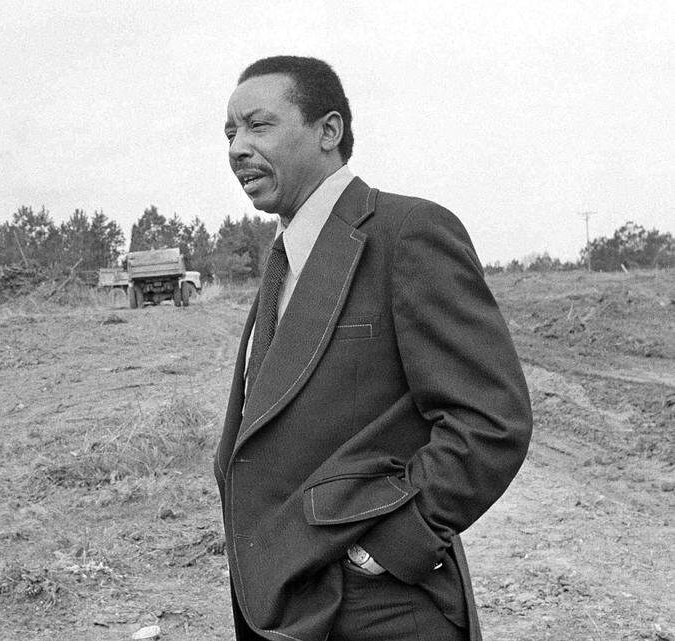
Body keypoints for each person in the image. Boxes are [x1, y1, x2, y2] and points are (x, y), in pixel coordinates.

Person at [214, 56, 532, 641]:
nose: (236, 147)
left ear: (328, 132)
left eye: (258, 126)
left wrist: (390, 547)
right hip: (291, 603)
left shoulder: (407, 233)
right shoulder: (286, 259)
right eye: (229, 133)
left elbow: (490, 420)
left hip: (382, 608)